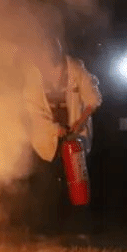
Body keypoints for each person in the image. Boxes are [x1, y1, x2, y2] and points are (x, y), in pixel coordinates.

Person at [23, 37, 102, 239]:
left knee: (77, 180)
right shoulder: (34, 73)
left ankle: (80, 229)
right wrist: (54, 129)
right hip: (47, 137)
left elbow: (93, 98)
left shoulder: (75, 68)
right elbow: (33, 109)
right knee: (46, 183)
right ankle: (45, 228)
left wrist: (81, 121)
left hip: (75, 137)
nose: (50, 54)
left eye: (54, 49)